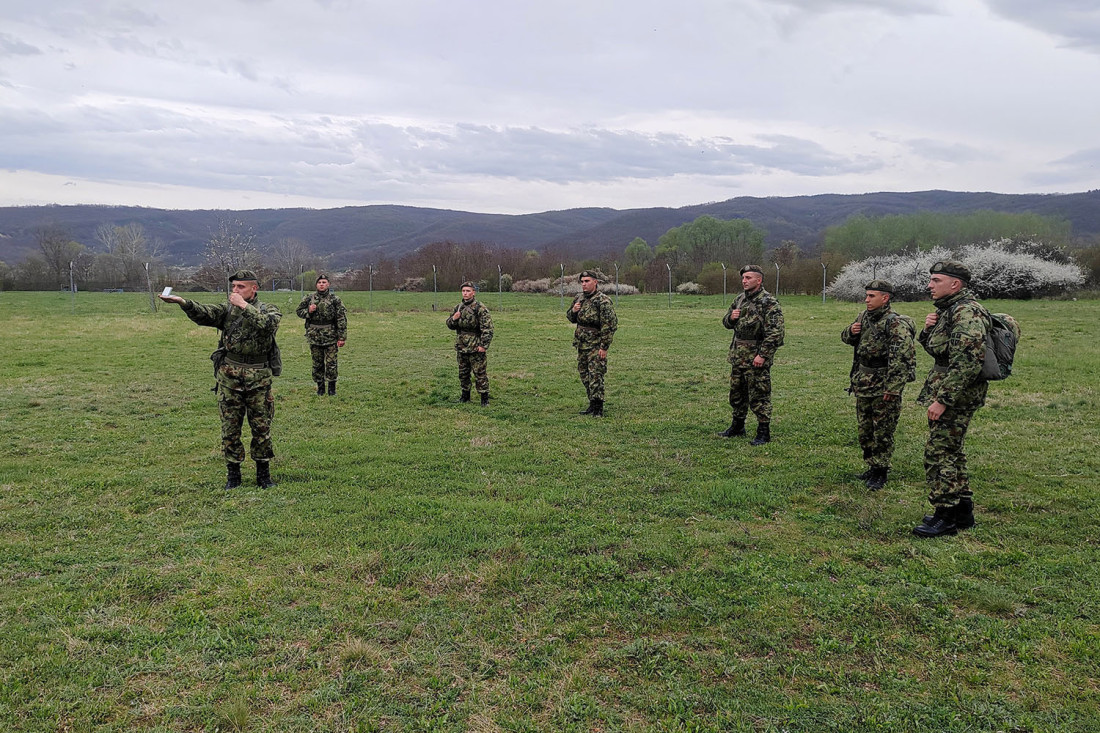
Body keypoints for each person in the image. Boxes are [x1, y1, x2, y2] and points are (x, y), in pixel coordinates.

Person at [159, 269, 281, 490]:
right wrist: (183, 303)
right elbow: (205, 313)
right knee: (230, 428)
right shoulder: (227, 310)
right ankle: (233, 474)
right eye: (233, 287)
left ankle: (264, 474)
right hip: (229, 379)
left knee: (261, 428)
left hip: (259, 379)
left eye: (240, 287)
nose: (235, 291)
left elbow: (268, 325)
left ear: (254, 288)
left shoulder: (268, 309)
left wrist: (244, 306)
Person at [912, 261, 991, 538]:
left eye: (936, 280)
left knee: (939, 452)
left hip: (956, 394)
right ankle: (962, 510)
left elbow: (968, 361)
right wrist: (927, 329)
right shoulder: (948, 311)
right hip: (950, 389)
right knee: (952, 450)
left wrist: (943, 400)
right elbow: (938, 350)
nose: (930, 286)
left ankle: (944, 515)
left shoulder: (966, 312)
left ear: (955, 284)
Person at [840, 280, 916, 490]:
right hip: (863, 381)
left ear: (885, 298)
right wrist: (851, 332)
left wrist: (893, 388)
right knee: (865, 429)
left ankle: (881, 469)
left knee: (882, 429)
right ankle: (871, 466)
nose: (867, 300)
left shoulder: (895, 323)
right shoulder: (863, 317)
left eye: (872, 296)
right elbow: (846, 339)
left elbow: (901, 359)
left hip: (883, 382)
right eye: (866, 295)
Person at [719, 265, 784, 445]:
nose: (744, 281)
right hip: (738, 355)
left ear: (759, 280)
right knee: (737, 393)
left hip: (756, 357)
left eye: (748, 278)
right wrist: (731, 318)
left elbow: (776, 332)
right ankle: (737, 426)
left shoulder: (768, 302)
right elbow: (726, 322)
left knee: (759, 394)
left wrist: (763, 355)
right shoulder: (740, 299)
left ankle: (763, 431)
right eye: (743, 278)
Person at [566, 270, 617, 417]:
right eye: (582, 282)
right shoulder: (579, 298)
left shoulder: (603, 301)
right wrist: (574, 311)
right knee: (585, 374)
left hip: (596, 344)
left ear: (595, 282)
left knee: (596, 375)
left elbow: (610, 325)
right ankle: (591, 403)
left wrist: (604, 347)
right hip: (582, 344)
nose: (584, 284)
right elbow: (570, 318)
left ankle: (598, 407)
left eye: (587, 281)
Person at [296, 273, 347, 396]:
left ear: (328, 284)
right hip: (314, 336)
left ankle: (331, 388)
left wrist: (342, 337)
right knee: (317, 363)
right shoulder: (309, 298)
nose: (321, 284)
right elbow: (299, 311)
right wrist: (308, 311)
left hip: (330, 335)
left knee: (331, 363)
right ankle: (320, 387)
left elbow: (341, 318)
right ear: (316, 285)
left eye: (324, 282)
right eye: (319, 282)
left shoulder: (335, 300)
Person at [445, 281, 494, 405]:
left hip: (476, 346)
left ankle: (484, 399)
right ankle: (465, 396)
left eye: (468, 291)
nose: (465, 293)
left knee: (480, 373)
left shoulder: (480, 308)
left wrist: (483, 345)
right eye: (463, 291)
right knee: (463, 373)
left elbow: (487, 328)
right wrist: (454, 319)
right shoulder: (458, 307)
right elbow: (450, 325)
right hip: (462, 346)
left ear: (473, 292)